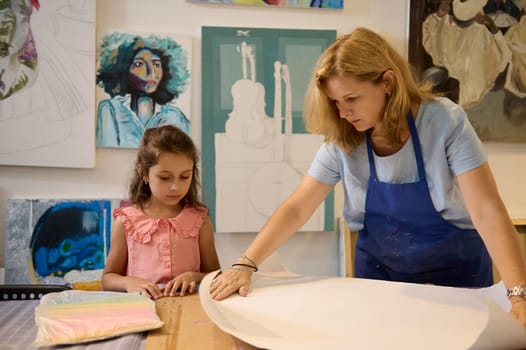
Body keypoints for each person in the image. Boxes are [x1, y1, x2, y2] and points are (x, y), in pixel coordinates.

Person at [209, 27, 526, 328]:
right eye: (335, 102)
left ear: (387, 82)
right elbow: (297, 206)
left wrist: (519, 294)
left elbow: (487, 210)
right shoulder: (343, 137)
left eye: (351, 98)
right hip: (381, 281)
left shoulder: (445, 121)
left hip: (457, 279)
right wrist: (246, 263)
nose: (343, 112)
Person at [102, 125, 220, 298]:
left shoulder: (199, 220)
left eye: (185, 177)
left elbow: (216, 276)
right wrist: (128, 282)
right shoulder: (126, 221)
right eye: (165, 178)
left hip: (188, 311)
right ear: (144, 173)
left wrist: (194, 277)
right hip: (141, 312)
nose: (176, 186)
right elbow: (107, 279)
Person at [96, 32, 191, 148]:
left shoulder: (176, 117)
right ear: (123, 69)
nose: (151, 73)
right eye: (139, 64)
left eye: (156, 65)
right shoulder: (110, 109)